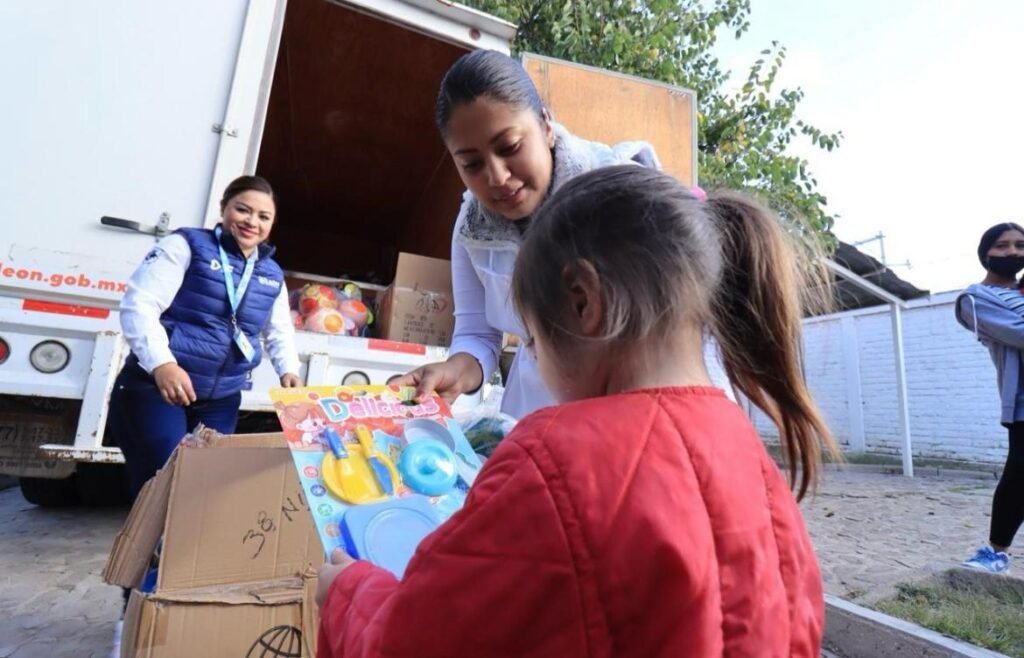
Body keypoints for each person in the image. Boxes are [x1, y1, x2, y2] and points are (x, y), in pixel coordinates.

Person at [316, 166, 837, 657]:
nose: (539, 361)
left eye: (535, 342)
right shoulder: (753, 460)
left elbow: (416, 643)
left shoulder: (551, 460)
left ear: (584, 302)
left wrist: (348, 594)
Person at [392, 49, 732, 419]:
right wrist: (453, 371)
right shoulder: (473, 227)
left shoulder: (621, 195)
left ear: (546, 124)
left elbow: (682, 334)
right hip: (537, 420)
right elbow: (477, 333)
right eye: (471, 164)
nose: (497, 177)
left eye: (510, 148)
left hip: (647, 415)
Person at [109, 175, 302, 499]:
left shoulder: (271, 273)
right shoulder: (184, 246)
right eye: (243, 210)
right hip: (157, 390)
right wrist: (162, 365)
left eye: (263, 217)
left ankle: (177, 550)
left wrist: (289, 370)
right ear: (224, 207)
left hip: (221, 399)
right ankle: (150, 549)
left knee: (202, 490)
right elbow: (139, 305)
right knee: (163, 483)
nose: (252, 222)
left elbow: (279, 329)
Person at [954, 222, 1024, 574]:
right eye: (1002, 246)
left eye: (1020, 245)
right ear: (986, 253)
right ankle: (996, 552)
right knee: (1020, 472)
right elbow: (1019, 333)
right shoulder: (975, 300)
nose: (1013, 252)